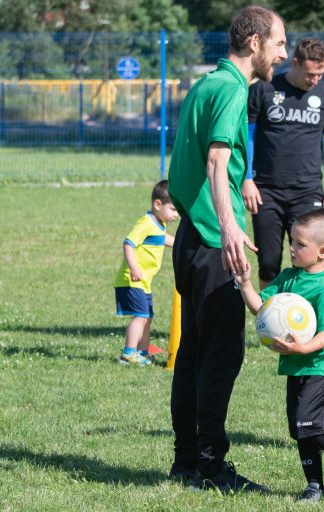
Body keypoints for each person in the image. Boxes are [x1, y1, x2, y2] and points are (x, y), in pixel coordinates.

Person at [166, 6, 287, 493]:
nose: (282, 52)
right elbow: (217, 163)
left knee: (194, 354)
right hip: (215, 240)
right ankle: (212, 468)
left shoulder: (206, 84)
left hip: (194, 240)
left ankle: (186, 463)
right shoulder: (235, 90)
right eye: (279, 42)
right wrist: (231, 228)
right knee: (220, 357)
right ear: (255, 42)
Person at [234, 208, 324, 502]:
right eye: (291, 241)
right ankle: (314, 485)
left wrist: (301, 348)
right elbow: (261, 308)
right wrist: (244, 283)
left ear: (323, 252)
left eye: (299, 244)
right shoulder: (288, 277)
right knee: (298, 428)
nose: (291, 247)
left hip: (321, 366)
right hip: (296, 365)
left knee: (310, 423)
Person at [244, 38, 324, 289]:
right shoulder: (264, 89)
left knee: (309, 259)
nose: (315, 80)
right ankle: (269, 317)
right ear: (295, 62)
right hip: (265, 190)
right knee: (268, 261)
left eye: (320, 74)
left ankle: (304, 319)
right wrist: (247, 179)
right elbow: (247, 136)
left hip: (307, 190)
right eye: (310, 74)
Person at [113, 180, 177, 366]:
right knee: (141, 316)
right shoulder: (146, 223)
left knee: (147, 316)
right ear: (158, 204)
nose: (177, 214)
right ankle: (128, 354)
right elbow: (128, 243)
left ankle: (141, 352)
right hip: (132, 280)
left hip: (144, 282)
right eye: (173, 209)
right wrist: (133, 267)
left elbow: (164, 239)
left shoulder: (159, 223)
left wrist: (184, 244)